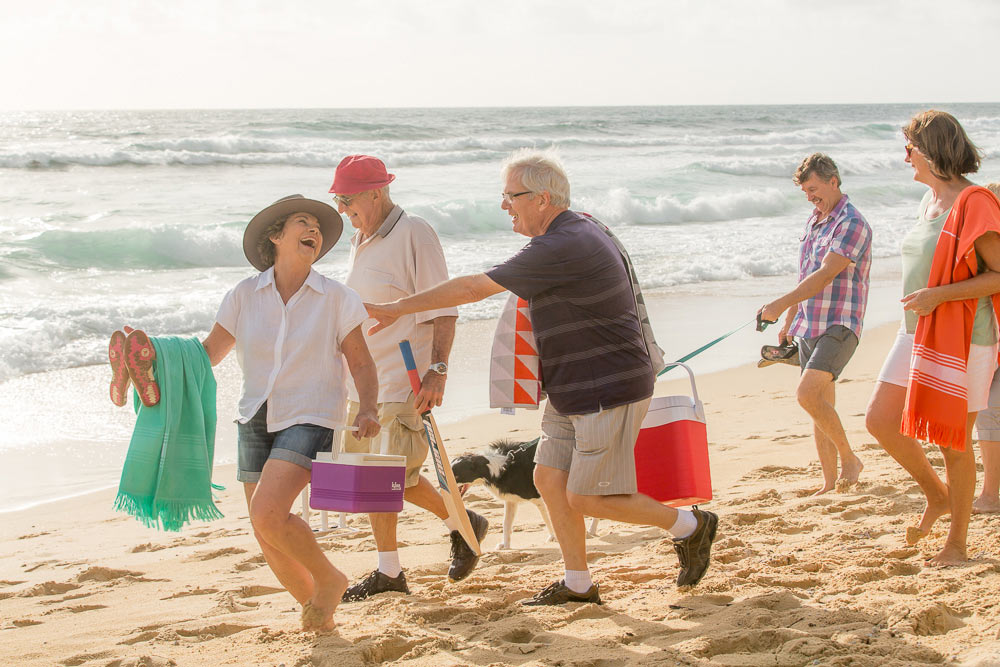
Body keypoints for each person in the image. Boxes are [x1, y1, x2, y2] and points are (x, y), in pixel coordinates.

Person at [366, 149, 718, 605]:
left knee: (589, 497)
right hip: (572, 387)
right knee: (550, 479)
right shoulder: (574, 230)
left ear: (543, 199)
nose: (503, 205)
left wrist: (396, 308)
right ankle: (578, 583)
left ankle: (692, 526)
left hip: (605, 388)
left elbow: (475, 287)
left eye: (511, 195)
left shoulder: (562, 244)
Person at [201, 194, 381, 630]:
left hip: (313, 413)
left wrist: (369, 407)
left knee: (267, 511)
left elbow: (360, 361)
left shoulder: (337, 297)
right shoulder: (244, 295)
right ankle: (318, 611)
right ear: (276, 237)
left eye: (318, 228)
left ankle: (330, 578)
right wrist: (157, 361)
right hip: (255, 413)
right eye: (303, 223)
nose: (314, 231)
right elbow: (209, 353)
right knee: (265, 529)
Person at [327, 155, 488, 601]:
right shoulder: (361, 238)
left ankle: (403, 564)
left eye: (346, 198)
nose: (342, 208)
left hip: (404, 375)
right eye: (338, 200)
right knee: (368, 476)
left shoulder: (414, 232)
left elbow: (445, 306)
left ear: (375, 193)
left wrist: (438, 370)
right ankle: (448, 531)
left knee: (391, 475)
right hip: (366, 381)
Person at [865, 111, 1000, 566]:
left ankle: (957, 544)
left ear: (930, 150)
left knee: (953, 442)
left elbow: (999, 275)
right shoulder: (930, 203)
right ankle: (938, 496)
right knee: (881, 419)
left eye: (909, 148)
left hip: (965, 337)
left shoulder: (975, 202)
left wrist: (938, 295)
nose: (905, 158)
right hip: (918, 331)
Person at [759, 154, 872, 495]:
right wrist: (790, 319)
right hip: (810, 323)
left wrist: (778, 304)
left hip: (840, 323)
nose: (810, 196)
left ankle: (850, 459)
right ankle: (828, 483)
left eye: (814, 188)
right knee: (821, 405)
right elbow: (805, 275)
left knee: (807, 395)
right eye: (805, 191)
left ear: (833, 181)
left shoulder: (851, 222)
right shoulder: (814, 221)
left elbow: (825, 275)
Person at [973, 182, 1000, 514]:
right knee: (988, 412)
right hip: (987, 342)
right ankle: (991, 492)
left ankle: (991, 492)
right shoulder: (981, 248)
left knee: (990, 411)